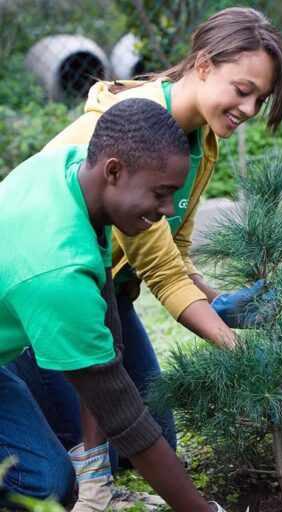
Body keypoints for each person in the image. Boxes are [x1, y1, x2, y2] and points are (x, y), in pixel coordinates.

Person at [8, 5, 282, 491]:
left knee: (150, 440)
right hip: (45, 296)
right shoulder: (131, 133)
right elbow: (162, 273)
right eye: (242, 91)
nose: (248, 109)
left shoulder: (199, 140)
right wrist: (234, 347)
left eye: (259, 100)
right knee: (71, 458)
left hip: (105, 296)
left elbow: (175, 252)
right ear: (203, 65)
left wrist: (216, 302)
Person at [0, 98, 227, 510]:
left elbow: (105, 334)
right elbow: (121, 412)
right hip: (29, 308)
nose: (166, 211)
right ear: (114, 171)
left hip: (9, 338)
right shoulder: (57, 269)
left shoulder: (68, 173)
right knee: (43, 484)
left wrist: (95, 472)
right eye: (161, 194)